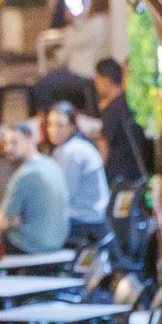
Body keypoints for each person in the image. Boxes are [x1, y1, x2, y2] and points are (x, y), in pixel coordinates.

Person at [0, 121, 70, 255]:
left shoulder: (24, 175)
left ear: (29, 140)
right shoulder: (51, 165)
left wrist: (14, 220)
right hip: (57, 241)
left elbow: (0, 222)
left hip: (30, 244)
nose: (8, 148)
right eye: (6, 143)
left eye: (14, 142)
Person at [46, 102, 110, 244]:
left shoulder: (74, 152)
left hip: (85, 222)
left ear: (72, 126)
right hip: (83, 218)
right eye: (50, 124)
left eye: (60, 125)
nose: (53, 130)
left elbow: (63, 195)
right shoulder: (65, 149)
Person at [94, 57, 153, 187]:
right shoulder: (131, 103)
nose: (95, 83)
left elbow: (103, 148)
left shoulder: (112, 109)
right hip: (137, 175)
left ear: (107, 80)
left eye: (97, 78)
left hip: (118, 179)